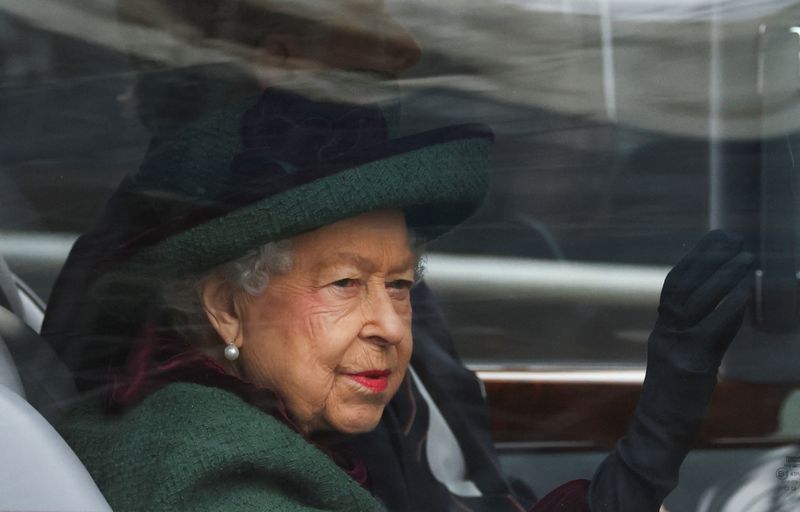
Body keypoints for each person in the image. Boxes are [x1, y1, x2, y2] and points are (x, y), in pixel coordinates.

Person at [43, 80, 754, 511]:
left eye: (403, 285)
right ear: (227, 305)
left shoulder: (290, 431)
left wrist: (660, 425)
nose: (389, 324)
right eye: (345, 284)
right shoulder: (212, 468)